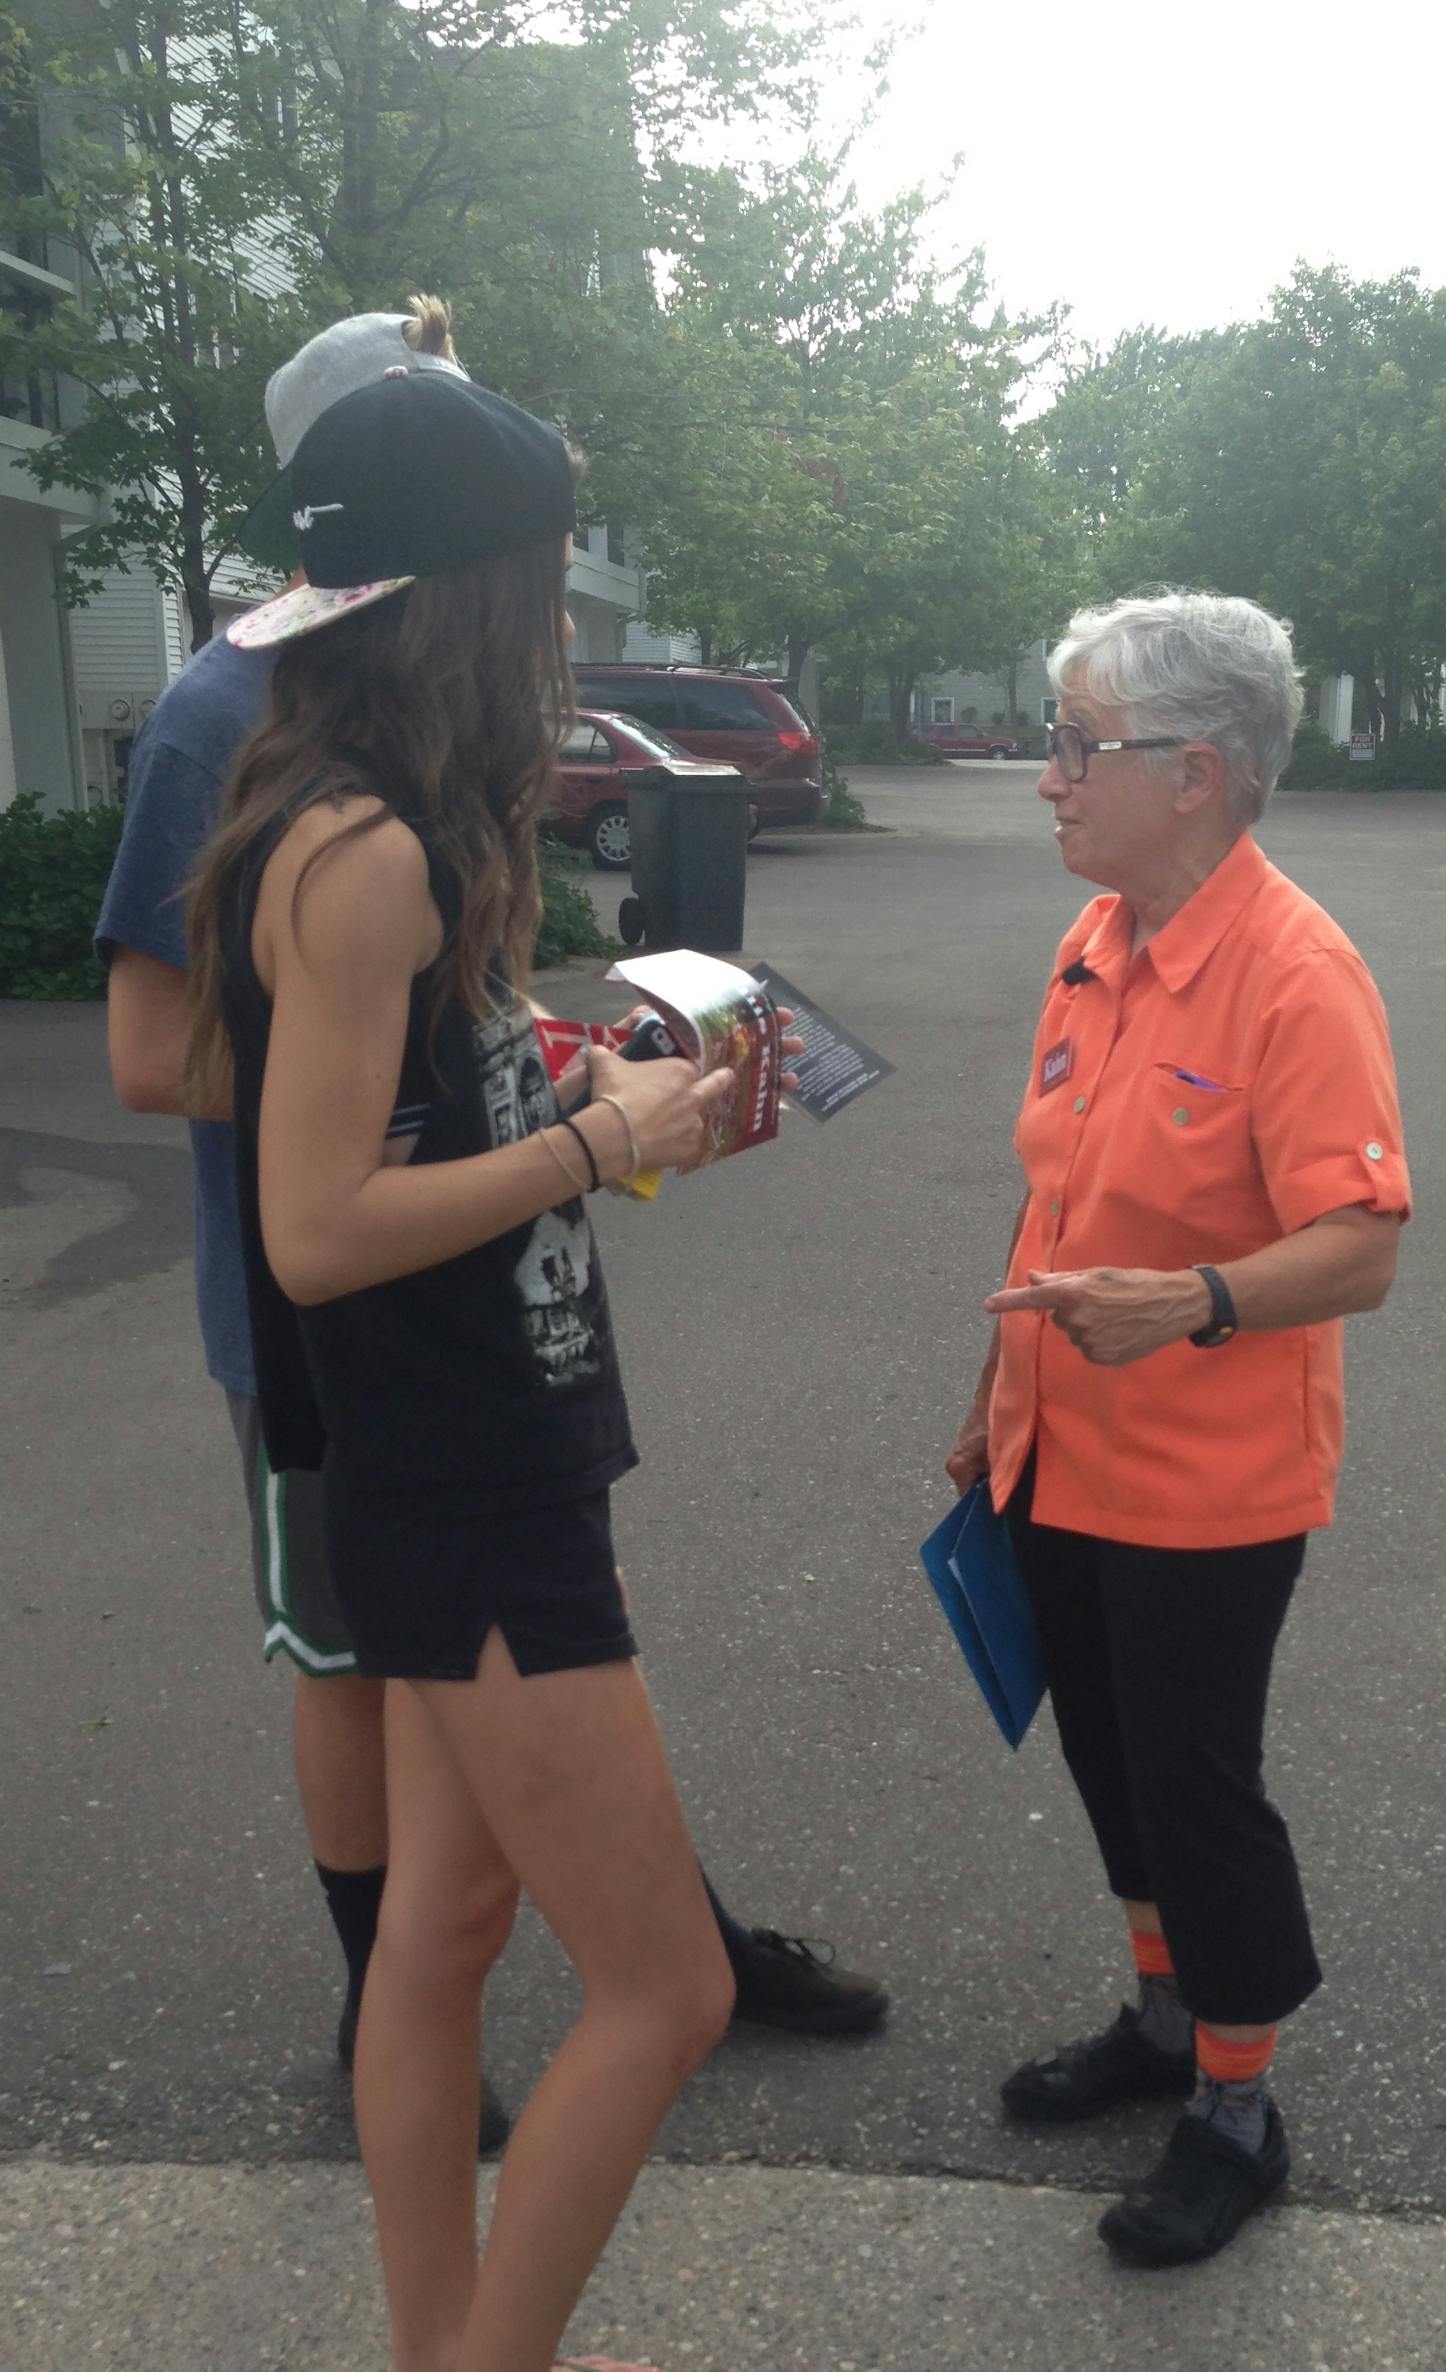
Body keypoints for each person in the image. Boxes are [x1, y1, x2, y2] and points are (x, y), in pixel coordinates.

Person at [98, 303, 885, 2161]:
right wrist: (509, 1128)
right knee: (361, 1658)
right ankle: (401, 2016)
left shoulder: (423, 729)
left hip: (466, 1295)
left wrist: (529, 1065)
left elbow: (412, 1017)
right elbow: (158, 1055)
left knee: (518, 1690)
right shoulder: (246, 721)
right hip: (347, 1328)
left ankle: (576, 1968)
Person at [185, 367, 734, 2372]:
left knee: (446, 1932)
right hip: (470, 1482)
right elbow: (315, 1229)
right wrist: (599, 1145)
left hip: (450, 1460)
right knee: (668, 1987)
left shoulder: (368, 807)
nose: (571, 633)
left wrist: (566, 1077)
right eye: (553, 587)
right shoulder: (371, 852)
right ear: (475, 599)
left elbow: (403, 1121)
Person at [947, 591, 1409, 2270]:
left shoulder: (1297, 975)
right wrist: (987, 1408)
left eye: (1079, 745)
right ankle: (1161, 2022)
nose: (1048, 776)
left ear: (1195, 772)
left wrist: (1201, 1302)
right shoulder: (1099, 943)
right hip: (1057, 1448)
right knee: (1102, 1758)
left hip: (1210, 1481)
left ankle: (1237, 2107)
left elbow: (1363, 1245)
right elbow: (1053, 1202)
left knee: (1198, 1784)